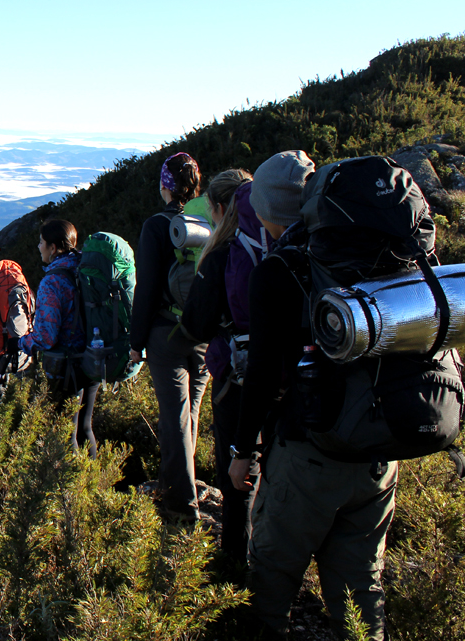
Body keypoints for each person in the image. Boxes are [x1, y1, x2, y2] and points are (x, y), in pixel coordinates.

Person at [229, 150, 397, 640]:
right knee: (362, 592)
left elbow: (260, 374)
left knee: (270, 583)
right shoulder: (376, 252)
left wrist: (242, 452)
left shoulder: (279, 271)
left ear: (266, 211)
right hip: (379, 451)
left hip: (310, 450)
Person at [179, 168, 254, 568]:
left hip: (236, 378)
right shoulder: (279, 245)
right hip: (288, 375)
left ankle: (234, 564)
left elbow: (197, 325)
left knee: (235, 474)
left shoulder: (222, 256)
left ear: (221, 208)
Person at [129, 151, 210, 522]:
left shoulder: (157, 226)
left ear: (165, 185)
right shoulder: (209, 220)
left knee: (174, 419)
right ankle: (177, 481)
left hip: (166, 334)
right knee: (189, 415)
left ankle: (181, 506)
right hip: (204, 333)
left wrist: (135, 342)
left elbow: (145, 289)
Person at [17, 218, 97, 456]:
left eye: (41, 242)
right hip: (92, 357)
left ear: (53, 248)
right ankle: (91, 484)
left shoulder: (52, 281)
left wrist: (22, 342)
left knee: (63, 432)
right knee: (85, 428)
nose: (38, 247)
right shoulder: (85, 269)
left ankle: (69, 490)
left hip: (65, 369)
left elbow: (47, 337)